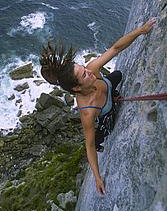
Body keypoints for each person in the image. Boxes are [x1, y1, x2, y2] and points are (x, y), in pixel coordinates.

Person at [40, 17, 156, 195]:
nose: (88, 70)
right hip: (105, 112)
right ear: (77, 88)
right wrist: (97, 177)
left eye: (83, 68)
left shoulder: (92, 69)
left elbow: (116, 48)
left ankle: (114, 95)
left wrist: (142, 30)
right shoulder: (87, 111)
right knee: (101, 133)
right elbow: (89, 145)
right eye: (83, 74)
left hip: (108, 90)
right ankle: (105, 133)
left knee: (117, 74)